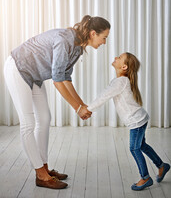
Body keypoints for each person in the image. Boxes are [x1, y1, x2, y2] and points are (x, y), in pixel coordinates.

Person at [4, 15, 110, 189]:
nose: (104, 42)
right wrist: (77, 109)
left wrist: (82, 105)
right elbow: (57, 80)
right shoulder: (64, 40)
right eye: (104, 37)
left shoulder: (78, 47)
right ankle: (40, 175)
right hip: (18, 68)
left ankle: (44, 167)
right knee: (28, 124)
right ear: (93, 33)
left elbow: (66, 78)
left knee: (44, 119)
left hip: (35, 74)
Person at [87, 52, 170, 191]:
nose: (115, 58)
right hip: (140, 119)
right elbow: (105, 95)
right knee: (142, 145)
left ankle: (145, 177)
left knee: (134, 148)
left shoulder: (121, 81)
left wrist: (88, 109)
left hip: (137, 121)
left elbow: (103, 96)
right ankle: (162, 166)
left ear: (124, 66)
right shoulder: (120, 81)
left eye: (119, 58)